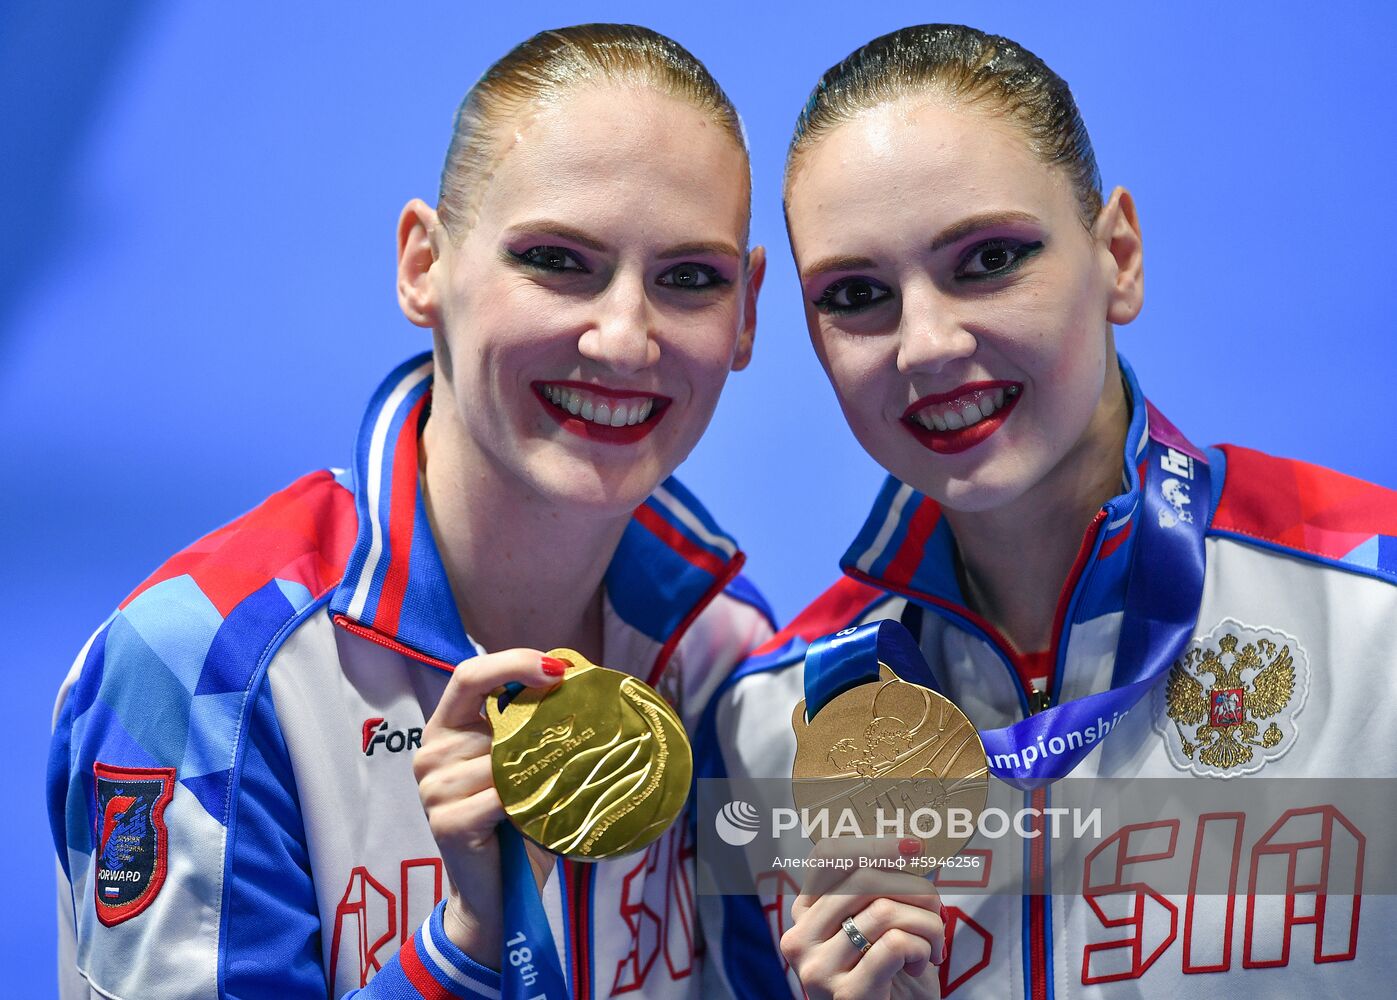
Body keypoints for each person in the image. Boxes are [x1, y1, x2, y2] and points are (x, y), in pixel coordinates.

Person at [47, 24, 776, 999]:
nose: (622, 337)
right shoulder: (196, 666)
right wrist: (465, 950)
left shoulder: (729, 649)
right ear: (423, 265)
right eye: (558, 260)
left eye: (689, 278)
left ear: (747, 312)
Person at [699, 23, 1397, 1000]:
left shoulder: (1375, 609)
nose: (925, 344)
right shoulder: (768, 725)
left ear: (1117, 254)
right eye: (855, 294)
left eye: (986, 259)